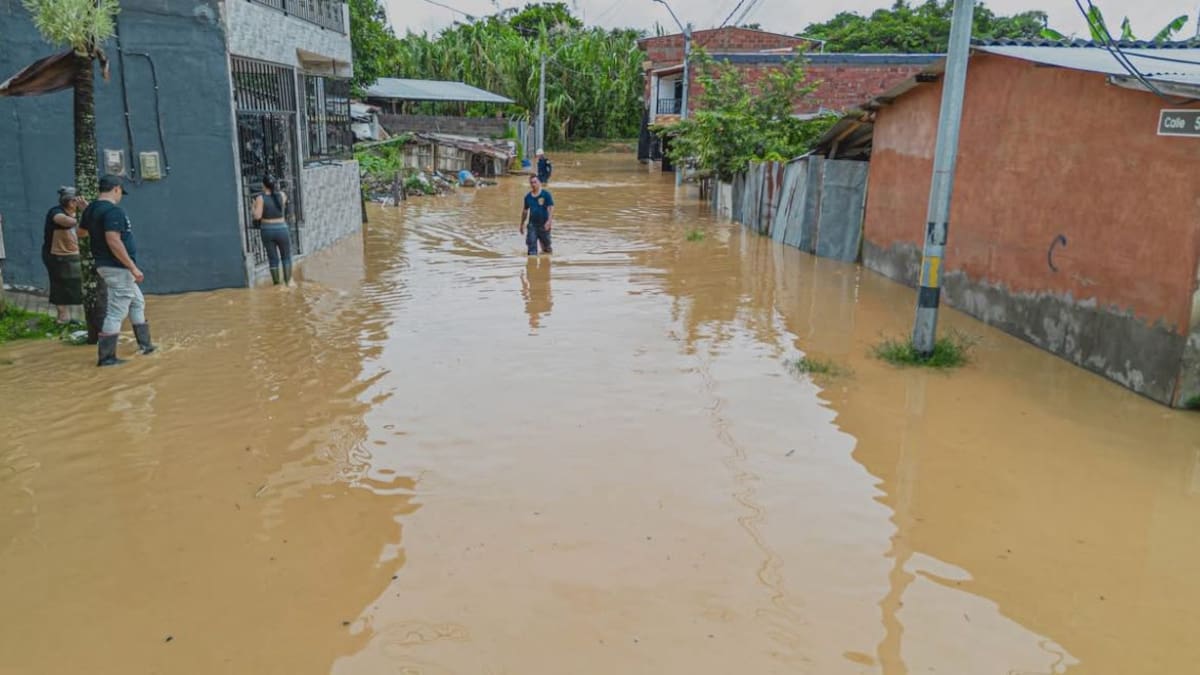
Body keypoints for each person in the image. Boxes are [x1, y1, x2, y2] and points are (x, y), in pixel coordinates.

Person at [81, 174, 155, 366]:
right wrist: (133, 267)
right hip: (118, 267)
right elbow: (113, 240)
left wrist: (89, 215)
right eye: (121, 191)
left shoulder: (91, 210)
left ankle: (146, 346)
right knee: (116, 312)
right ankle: (107, 358)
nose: (120, 195)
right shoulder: (114, 211)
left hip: (108, 266)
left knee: (137, 302)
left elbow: (81, 232)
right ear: (116, 189)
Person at [41, 187, 88, 325]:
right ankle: (63, 318)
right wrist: (88, 215)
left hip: (72, 253)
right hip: (55, 255)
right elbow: (65, 221)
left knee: (77, 284)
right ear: (71, 202)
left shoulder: (78, 213)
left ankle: (82, 317)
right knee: (59, 285)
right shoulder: (56, 212)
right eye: (77, 201)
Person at [252, 175, 292, 286]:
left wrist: (253, 207)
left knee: (273, 259)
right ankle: (288, 283)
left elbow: (257, 216)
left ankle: (277, 285)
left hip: (267, 230)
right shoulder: (282, 195)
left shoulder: (260, 198)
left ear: (263, 185)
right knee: (286, 257)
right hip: (282, 229)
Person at [520, 175, 554, 256]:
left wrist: (549, 221)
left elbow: (550, 208)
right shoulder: (528, 197)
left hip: (544, 224)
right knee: (531, 248)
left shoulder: (546, 194)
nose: (533, 184)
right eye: (531, 183)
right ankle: (532, 262)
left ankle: (546, 261)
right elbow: (525, 211)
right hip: (532, 225)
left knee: (547, 248)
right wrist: (522, 224)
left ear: (539, 182)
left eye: (535, 182)